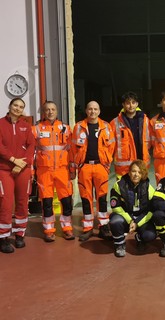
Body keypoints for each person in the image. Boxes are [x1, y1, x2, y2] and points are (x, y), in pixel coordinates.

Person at [71, 101, 115, 241]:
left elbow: (112, 146)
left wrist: (106, 163)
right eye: (90, 109)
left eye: (95, 109)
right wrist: (75, 166)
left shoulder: (106, 127)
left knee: (102, 198)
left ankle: (103, 226)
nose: (92, 111)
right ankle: (88, 228)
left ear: (99, 111)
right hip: (84, 167)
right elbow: (73, 149)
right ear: (86, 110)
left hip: (100, 167)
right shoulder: (78, 127)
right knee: (85, 198)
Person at [32, 101, 74, 242]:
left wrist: (72, 168)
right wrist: (32, 170)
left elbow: (72, 150)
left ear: (57, 111)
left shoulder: (65, 128)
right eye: (47, 110)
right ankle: (49, 230)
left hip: (63, 170)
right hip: (44, 172)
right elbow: (31, 150)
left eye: (53, 109)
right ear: (44, 112)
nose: (50, 112)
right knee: (47, 202)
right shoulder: (36, 129)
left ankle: (67, 228)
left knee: (67, 201)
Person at [0, 98, 35, 253]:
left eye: (21, 107)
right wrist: (13, 160)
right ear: (10, 106)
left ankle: (20, 234)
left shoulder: (26, 127)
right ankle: (4, 237)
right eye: (15, 105)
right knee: (6, 203)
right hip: (4, 170)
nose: (18, 108)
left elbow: (31, 146)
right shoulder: (0, 124)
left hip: (23, 170)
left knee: (22, 202)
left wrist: (22, 163)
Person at [109, 160, 156, 257]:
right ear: (129, 172)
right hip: (125, 218)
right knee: (115, 221)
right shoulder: (119, 185)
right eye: (134, 171)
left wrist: (137, 223)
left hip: (141, 219)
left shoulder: (148, 188)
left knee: (150, 235)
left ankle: (140, 238)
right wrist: (130, 220)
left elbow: (151, 210)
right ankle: (119, 244)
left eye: (139, 172)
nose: (136, 175)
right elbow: (116, 207)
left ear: (143, 174)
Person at [110, 91, 151, 178]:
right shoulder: (115, 122)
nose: (131, 105)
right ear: (123, 105)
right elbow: (110, 145)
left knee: (142, 190)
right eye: (128, 103)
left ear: (137, 104)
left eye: (133, 102)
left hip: (142, 164)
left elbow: (151, 140)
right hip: (123, 168)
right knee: (123, 191)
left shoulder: (145, 120)